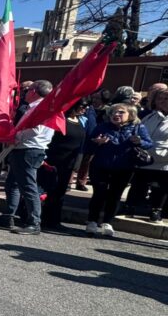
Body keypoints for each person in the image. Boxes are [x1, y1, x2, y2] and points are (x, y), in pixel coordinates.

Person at [84, 103, 153, 236]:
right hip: (101, 166)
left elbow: (149, 144)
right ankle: (92, 221)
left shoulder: (138, 127)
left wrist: (139, 142)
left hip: (124, 168)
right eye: (113, 113)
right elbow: (88, 146)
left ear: (130, 115)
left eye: (121, 112)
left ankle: (107, 222)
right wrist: (97, 142)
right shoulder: (102, 127)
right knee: (99, 193)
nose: (116, 115)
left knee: (115, 196)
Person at [0, 80, 56, 235]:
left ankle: (34, 222)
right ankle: (8, 215)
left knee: (28, 187)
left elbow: (35, 130)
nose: (26, 92)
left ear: (34, 91)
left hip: (29, 149)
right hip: (25, 148)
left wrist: (16, 136)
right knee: (13, 184)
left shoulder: (40, 108)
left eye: (28, 89)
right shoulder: (38, 107)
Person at [40, 99, 88, 230]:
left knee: (60, 192)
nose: (85, 108)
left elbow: (81, 144)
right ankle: (41, 217)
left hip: (69, 163)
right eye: (83, 106)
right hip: (54, 160)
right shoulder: (61, 120)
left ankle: (54, 220)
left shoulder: (81, 122)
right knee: (49, 189)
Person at [130, 88, 168, 222]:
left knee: (160, 187)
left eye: (166, 99)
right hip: (145, 157)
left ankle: (156, 211)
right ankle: (131, 206)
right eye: (160, 99)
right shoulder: (149, 116)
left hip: (164, 160)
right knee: (139, 183)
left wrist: (155, 146)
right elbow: (140, 131)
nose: (163, 102)